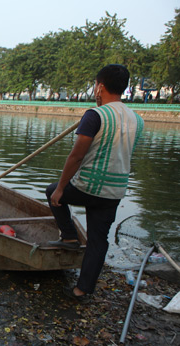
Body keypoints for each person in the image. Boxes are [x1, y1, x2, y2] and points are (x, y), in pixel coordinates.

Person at [46, 64, 145, 302]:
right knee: (98, 241)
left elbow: (77, 155)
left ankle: (69, 236)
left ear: (100, 86)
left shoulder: (95, 115)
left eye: (95, 85)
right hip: (115, 191)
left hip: (88, 187)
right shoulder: (137, 120)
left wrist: (61, 188)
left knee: (52, 192)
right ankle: (82, 290)